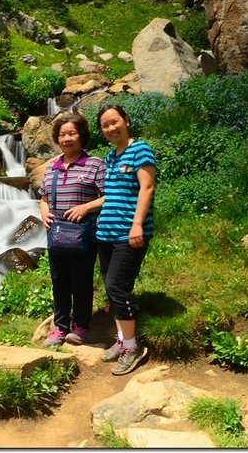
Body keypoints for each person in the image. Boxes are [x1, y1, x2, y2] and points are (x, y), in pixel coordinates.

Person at [95, 104, 156, 375]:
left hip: (127, 233)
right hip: (106, 232)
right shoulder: (110, 156)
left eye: (114, 122)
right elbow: (113, 194)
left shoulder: (139, 149)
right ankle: (122, 340)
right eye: (105, 125)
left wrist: (137, 225)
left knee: (117, 287)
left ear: (126, 121)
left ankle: (133, 347)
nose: (111, 128)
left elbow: (147, 186)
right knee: (113, 288)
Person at [38, 113, 105, 347]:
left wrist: (86, 207)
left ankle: (81, 326)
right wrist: (43, 210)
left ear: (82, 136)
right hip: (56, 233)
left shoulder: (95, 164)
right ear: (57, 139)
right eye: (62, 134)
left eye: (72, 133)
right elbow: (43, 197)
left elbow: (109, 196)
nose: (67, 138)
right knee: (59, 281)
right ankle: (60, 327)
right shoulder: (51, 167)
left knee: (81, 281)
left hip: (83, 234)